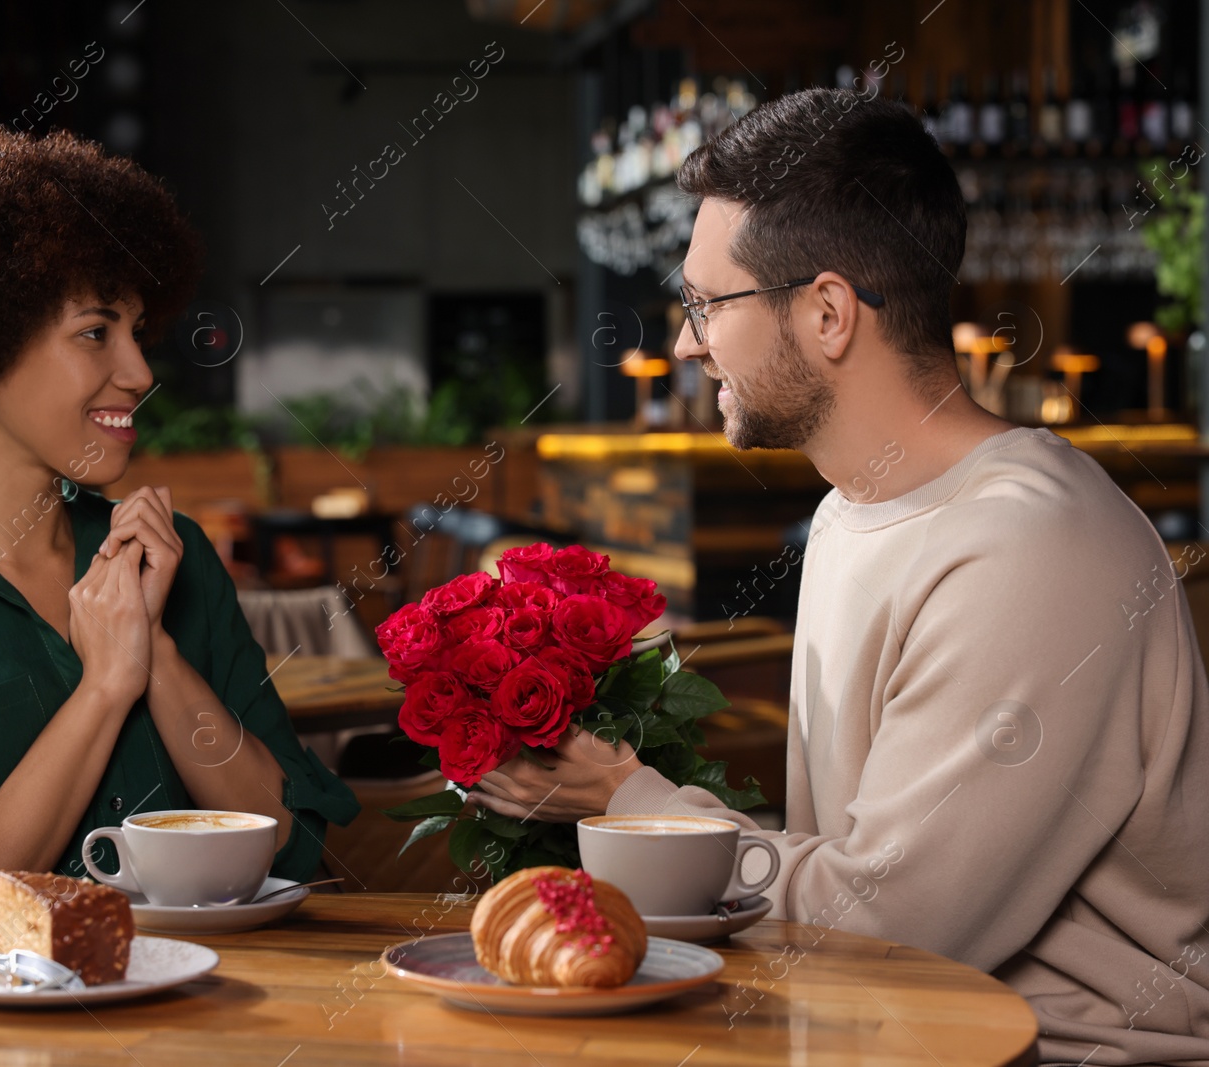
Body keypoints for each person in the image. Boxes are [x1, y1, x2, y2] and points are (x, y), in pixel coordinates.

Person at [474, 88, 1209, 1065]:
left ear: (826, 312)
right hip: (883, 1029)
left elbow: (888, 922)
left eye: (705, 304)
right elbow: (856, 873)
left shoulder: (1026, 548)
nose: (686, 341)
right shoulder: (844, 511)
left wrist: (625, 794)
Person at [0, 124, 359, 941]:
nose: (140, 371)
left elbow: (292, 850)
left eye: (137, 332)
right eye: (96, 333)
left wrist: (151, 646)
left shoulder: (173, 555)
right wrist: (103, 685)